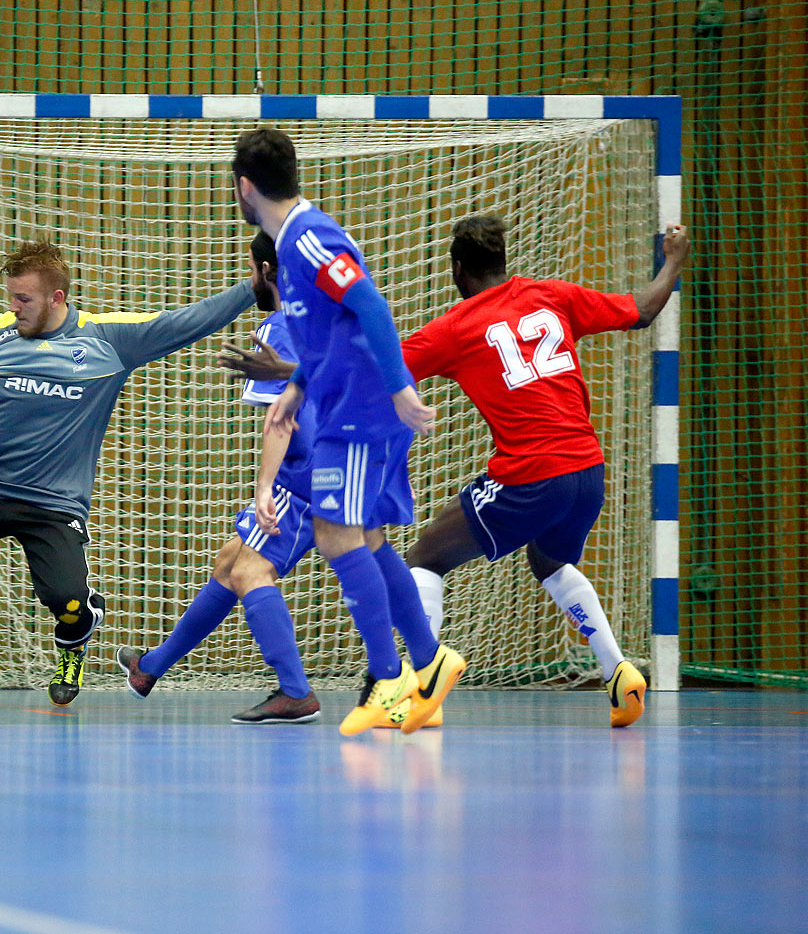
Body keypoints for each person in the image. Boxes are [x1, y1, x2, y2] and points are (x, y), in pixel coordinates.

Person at [0, 240, 268, 706]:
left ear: (57, 298)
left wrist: (251, 288)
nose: (13, 308)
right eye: (11, 297)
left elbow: (186, 321)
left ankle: (72, 646)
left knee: (70, 602)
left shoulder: (107, 340)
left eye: (24, 300)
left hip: (52, 506)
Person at [117, 233, 446, 728]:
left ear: (266, 271)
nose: (249, 277)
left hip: (311, 474)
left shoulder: (281, 326)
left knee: (250, 571)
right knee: (239, 559)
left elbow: (283, 418)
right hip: (370, 449)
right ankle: (153, 668)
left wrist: (265, 487)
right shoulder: (330, 313)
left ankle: (299, 691)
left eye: (251, 268)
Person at [402, 215, 690, 728]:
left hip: (532, 475)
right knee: (548, 559)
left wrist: (290, 376)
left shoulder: (457, 327)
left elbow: (380, 371)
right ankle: (618, 671)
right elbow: (643, 311)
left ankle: (423, 686)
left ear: (458, 270)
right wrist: (673, 259)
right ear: (503, 263)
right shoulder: (551, 295)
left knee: (426, 555)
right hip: (588, 473)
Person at [234, 127, 466, 735]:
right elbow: (332, 333)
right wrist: (297, 387)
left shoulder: (307, 240)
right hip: (344, 403)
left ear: (245, 188)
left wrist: (399, 388)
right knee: (364, 538)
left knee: (336, 535)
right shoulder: (293, 246)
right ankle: (429, 662)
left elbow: (370, 306)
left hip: (365, 409)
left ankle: (389, 677)